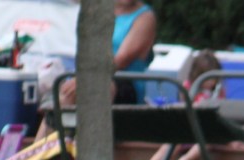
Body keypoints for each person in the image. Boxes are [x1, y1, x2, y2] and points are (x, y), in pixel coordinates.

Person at [37, 0, 157, 137]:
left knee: (96, 87)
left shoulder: (145, 18)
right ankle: (43, 146)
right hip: (89, 76)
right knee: (64, 93)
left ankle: (87, 141)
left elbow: (121, 60)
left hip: (124, 81)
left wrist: (86, 78)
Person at [147, 49, 222, 160]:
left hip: (204, 131)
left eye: (213, 78)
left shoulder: (217, 91)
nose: (211, 82)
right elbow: (185, 106)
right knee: (173, 143)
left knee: (208, 140)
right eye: (208, 78)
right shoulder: (189, 88)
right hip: (187, 129)